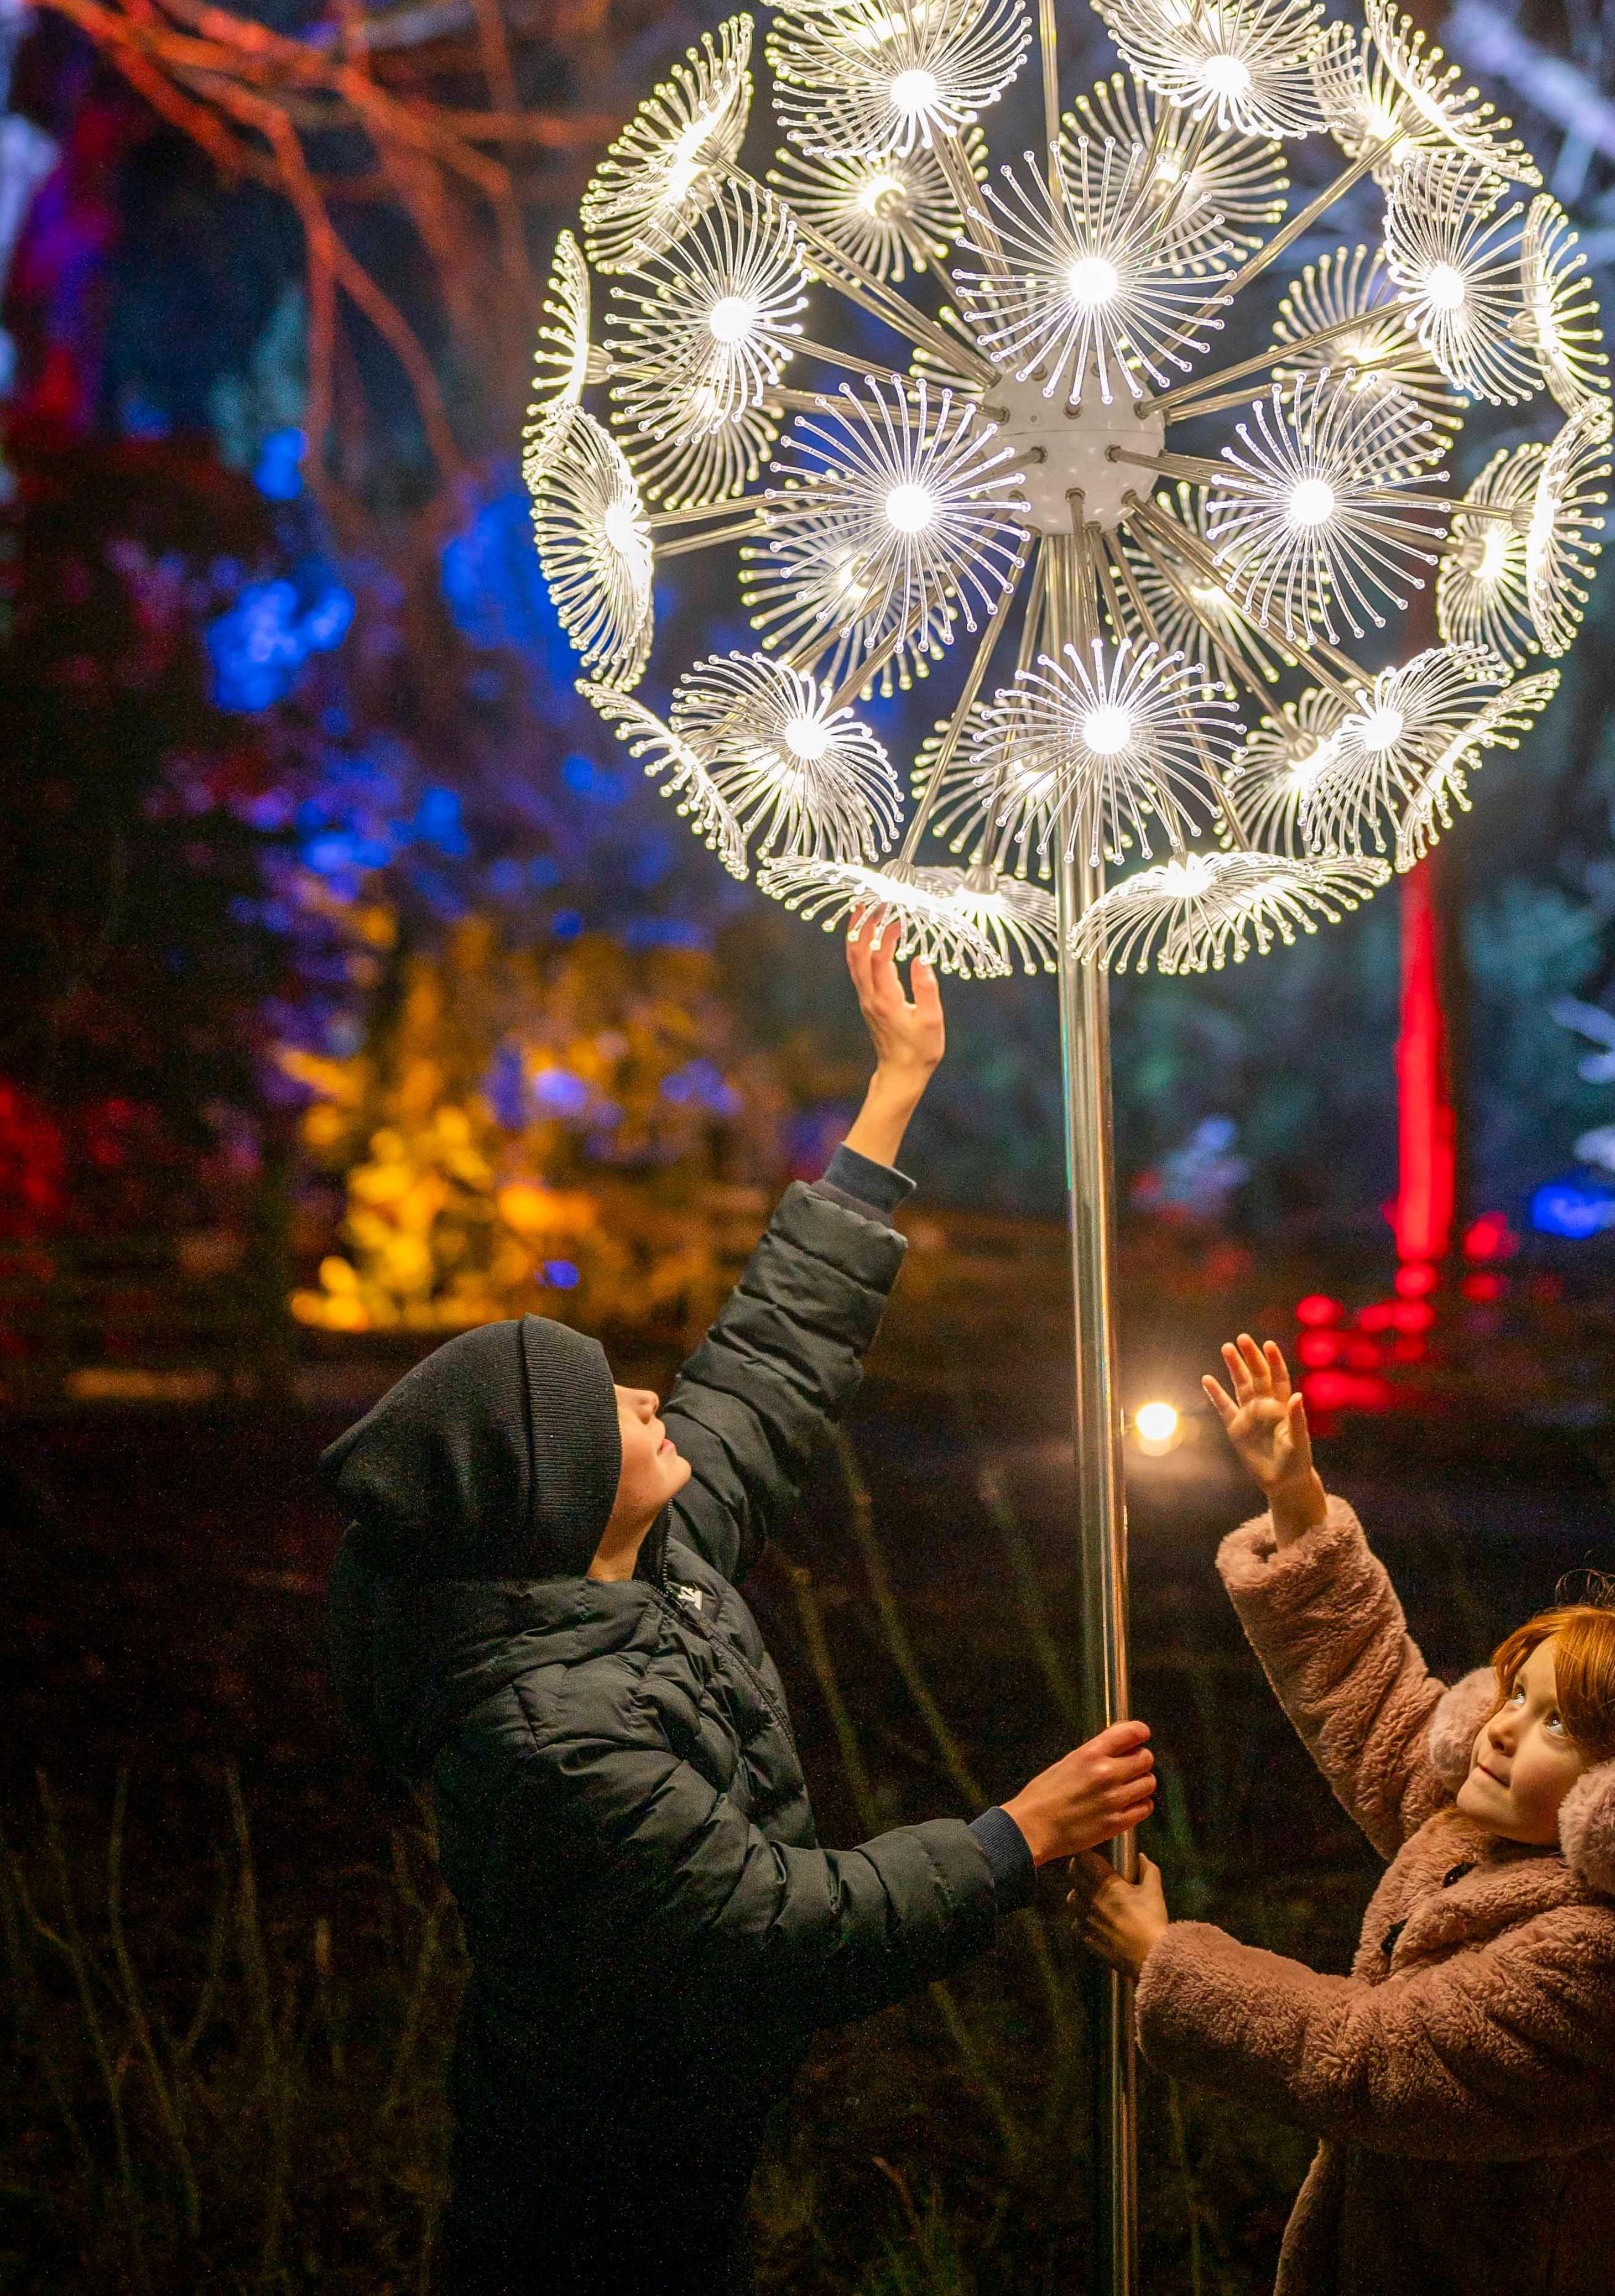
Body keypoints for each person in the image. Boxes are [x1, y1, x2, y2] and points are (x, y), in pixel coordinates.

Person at [321, 915, 1154, 2296]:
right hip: (586, 2188)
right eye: (611, 1410)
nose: (650, 1396)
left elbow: (767, 1362)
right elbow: (779, 1932)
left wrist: (894, 1087)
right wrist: (1021, 1835)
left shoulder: (641, 1554)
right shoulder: (549, 1739)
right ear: (558, 1497)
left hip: (690, 2132)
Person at [1072, 1334, 1615, 2296]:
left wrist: (1168, 1959)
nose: (1497, 1731)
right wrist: (1298, 1501)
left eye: (1560, 1725)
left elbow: (1376, 2059)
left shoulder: (1613, 1970)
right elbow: (1371, 1700)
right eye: (1512, 1695)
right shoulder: (1481, 1835)